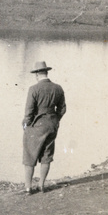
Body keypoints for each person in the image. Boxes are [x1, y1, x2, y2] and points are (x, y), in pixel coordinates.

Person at [22, 61, 66, 195]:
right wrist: (55, 119)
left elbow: (29, 111)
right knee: (47, 155)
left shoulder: (33, 89)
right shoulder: (58, 88)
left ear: (36, 74)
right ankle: (41, 185)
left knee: (30, 156)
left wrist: (26, 123)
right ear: (46, 73)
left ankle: (28, 187)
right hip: (52, 125)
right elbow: (62, 109)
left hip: (37, 126)